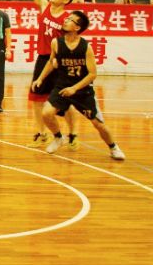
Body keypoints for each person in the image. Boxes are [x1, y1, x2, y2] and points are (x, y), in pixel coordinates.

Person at [34, 11, 126, 161]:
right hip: (62, 86)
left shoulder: (85, 47)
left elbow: (92, 74)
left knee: (98, 124)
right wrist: (40, 78)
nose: (66, 20)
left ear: (77, 27)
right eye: (67, 18)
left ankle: (113, 147)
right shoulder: (56, 43)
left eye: (70, 20)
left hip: (83, 91)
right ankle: (58, 137)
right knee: (46, 113)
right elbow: (51, 62)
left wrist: (74, 88)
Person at [11, 0, 78, 149]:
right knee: (36, 97)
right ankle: (42, 134)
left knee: (64, 101)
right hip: (43, 59)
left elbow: (72, 43)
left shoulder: (68, 19)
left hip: (59, 62)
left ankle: (73, 134)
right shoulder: (44, 6)